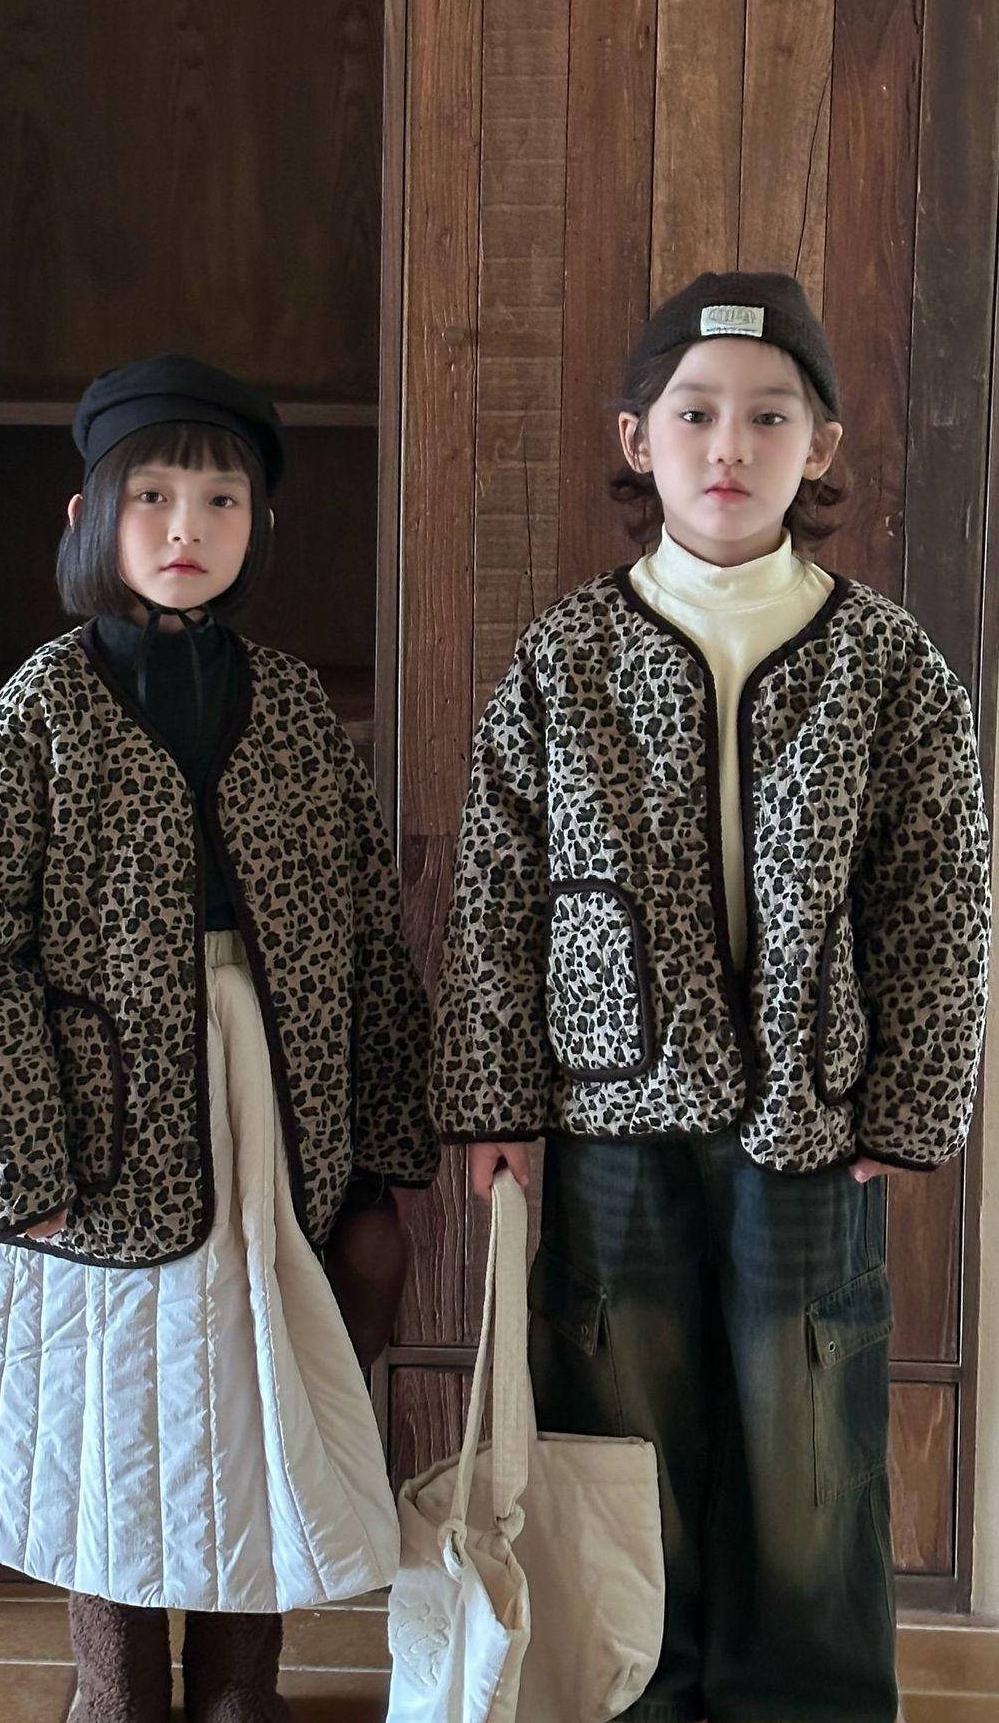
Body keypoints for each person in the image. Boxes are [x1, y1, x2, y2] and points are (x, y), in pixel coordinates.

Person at [430, 273, 991, 1722]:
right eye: (694, 414)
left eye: (768, 416)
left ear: (821, 445)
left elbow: (941, 895)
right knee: (625, 1447)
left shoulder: (888, 663)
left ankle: (807, 1701)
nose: (728, 445)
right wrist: (494, 1103)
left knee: (809, 1455)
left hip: (814, 1121)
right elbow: (496, 892)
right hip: (606, 1120)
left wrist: (911, 1106)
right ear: (639, 439)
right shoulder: (565, 655)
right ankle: (638, 1698)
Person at [0, 353, 437, 1723]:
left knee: (258, 1397)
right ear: (87, 516)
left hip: (277, 1105)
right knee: (116, 1413)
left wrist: (385, 1144)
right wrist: (17, 1167)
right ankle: (115, 1692)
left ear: (261, 525)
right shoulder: (38, 712)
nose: (185, 528)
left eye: (221, 500)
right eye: (150, 495)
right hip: (102, 1129)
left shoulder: (293, 704)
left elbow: (365, 925)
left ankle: (238, 1690)